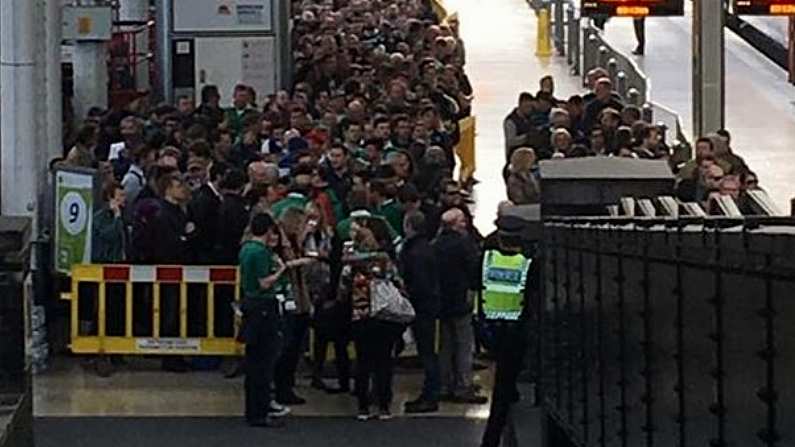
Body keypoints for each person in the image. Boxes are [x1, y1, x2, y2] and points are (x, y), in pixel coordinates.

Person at [339, 220, 405, 420]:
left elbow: (342, 291)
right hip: (384, 316)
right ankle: (384, 406)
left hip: (361, 316)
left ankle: (363, 407)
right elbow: (398, 283)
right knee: (384, 362)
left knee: (363, 362)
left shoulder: (350, 266)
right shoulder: (385, 262)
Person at [238, 213, 290, 428]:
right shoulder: (261, 253)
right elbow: (264, 283)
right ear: (269, 230)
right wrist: (281, 270)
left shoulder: (246, 249)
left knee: (253, 362)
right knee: (264, 362)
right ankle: (260, 410)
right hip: (264, 307)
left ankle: (253, 408)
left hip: (250, 304)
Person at [433, 208, 488, 404]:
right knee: (464, 345)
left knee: (446, 345)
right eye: (462, 221)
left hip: (442, 301)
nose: (465, 224)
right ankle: (463, 386)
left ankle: (444, 384)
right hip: (461, 300)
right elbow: (474, 269)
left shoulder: (436, 244)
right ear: (455, 224)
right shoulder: (464, 244)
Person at [400, 211, 442, 414]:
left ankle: (430, 395)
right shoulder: (427, 248)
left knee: (427, 353)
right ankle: (430, 393)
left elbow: (419, 283)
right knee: (428, 352)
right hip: (428, 306)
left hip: (421, 307)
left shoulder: (415, 253)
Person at [503, 92, 540, 163]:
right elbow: (511, 141)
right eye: (527, 107)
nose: (529, 109)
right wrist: (527, 137)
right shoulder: (511, 121)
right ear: (520, 104)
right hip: (515, 158)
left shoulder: (531, 118)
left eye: (531, 107)